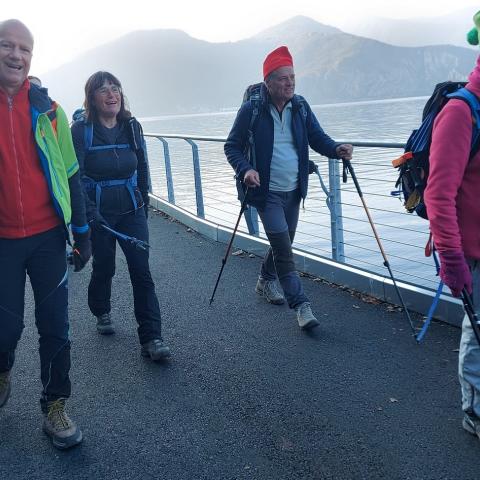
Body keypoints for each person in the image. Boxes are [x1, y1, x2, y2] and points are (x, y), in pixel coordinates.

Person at [0, 19, 91, 449]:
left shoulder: (50, 110)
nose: (16, 55)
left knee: (56, 326)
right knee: (5, 328)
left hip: (48, 237)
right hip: (2, 241)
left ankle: (55, 405)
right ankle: (2, 372)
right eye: (7, 46)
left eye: (25, 49)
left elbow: (71, 174)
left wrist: (82, 230)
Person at [224, 46, 353, 330]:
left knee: (283, 243)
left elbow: (317, 138)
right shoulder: (252, 110)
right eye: (283, 78)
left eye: (292, 77)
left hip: (294, 191)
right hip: (266, 193)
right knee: (284, 249)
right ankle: (301, 305)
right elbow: (231, 147)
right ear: (268, 82)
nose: (290, 83)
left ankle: (265, 281)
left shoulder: (301, 107)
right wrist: (246, 169)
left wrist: (336, 149)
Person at [71, 71, 170, 361]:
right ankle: (101, 310)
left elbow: (142, 166)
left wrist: (145, 199)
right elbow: (75, 176)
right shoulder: (81, 130)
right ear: (92, 97)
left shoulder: (131, 126)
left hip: (131, 210)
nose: (111, 94)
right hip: (99, 213)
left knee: (142, 272)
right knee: (105, 268)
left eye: (115, 88)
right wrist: (89, 213)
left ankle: (152, 338)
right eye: (104, 90)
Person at [424, 10, 480, 440]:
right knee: (477, 338)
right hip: (473, 253)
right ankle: (474, 412)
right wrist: (453, 258)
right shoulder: (461, 112)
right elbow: (438, 195)